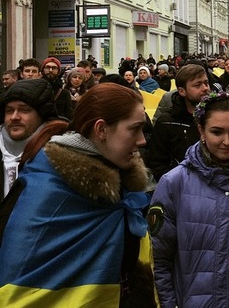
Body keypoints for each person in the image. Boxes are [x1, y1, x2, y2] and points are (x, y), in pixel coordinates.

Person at [0, 83, 156, 307]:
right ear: (101, 130)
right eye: (135, 128)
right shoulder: (44, 192)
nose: (142, 140)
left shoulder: (120, 184)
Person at [148, 91, 229, 308]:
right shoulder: (173, 183)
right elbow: (158, 260)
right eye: (217, 132)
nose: (227, 141)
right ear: (201, 130)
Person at [0, 78, 65, 203]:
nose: (14, 117)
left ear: (41, 115)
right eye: (9, 111)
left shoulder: (58, 156)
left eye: (24, 110)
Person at [147, 64, 210, 180]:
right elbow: (157, 162)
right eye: (197, 85)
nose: (205, 88)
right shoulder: (167, 122)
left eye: (206, 83)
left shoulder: (220, 116)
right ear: (182, 91)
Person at [40, 57, 73, 121]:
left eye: (54, 68)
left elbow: (69, 116)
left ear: (58, 71)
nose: (50, 70)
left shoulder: (64, 93)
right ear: (43, 70)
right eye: (47, 67)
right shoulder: (36, 89)